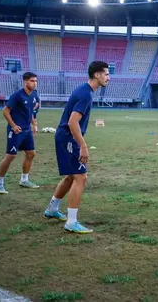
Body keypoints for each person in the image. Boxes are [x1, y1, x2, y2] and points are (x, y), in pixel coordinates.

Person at [43, 61, 110, 234]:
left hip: (65, 137)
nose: (108, 78)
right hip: (68, 138)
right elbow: (72, 122)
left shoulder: (84, 90)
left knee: (71, 177)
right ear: (97, 75)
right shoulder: (85, 94)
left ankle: (52, 209)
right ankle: (71, 222)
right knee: (81, 177)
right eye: (106, 74)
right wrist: (83, 146)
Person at [0, 72, 39, 194]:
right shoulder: (17, 95)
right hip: (16, 130)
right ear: (25, 82)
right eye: (32, 81)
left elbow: (30, 111)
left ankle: (24, 180)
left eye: (36, 81)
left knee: (31, 153)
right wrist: (13, 125)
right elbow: (5, 111)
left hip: (27, 130)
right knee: (11, 156)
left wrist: (34, 124)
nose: (35, 83)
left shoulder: (33, 95)